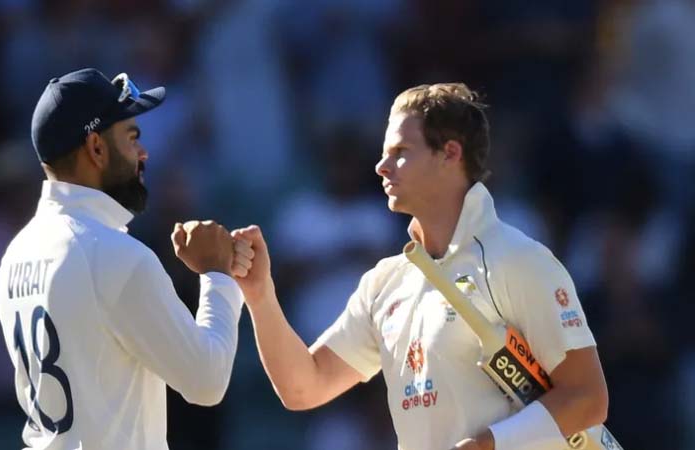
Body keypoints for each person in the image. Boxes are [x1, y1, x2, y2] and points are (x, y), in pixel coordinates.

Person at [232, 83, 609, 450]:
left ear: (450, 153)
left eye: (400, 152)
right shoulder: (385, 282)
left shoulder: (519, 260)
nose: (381, 167)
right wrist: (260, 295)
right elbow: (303, 388)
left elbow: (588, 398)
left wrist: (490, 444)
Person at [0, 68, 253, 450]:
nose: (143, 153)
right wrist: (217, 274)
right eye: (132, 138)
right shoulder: (115, 255)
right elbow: (207, 381)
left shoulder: (17, 252)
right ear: (97, 148)